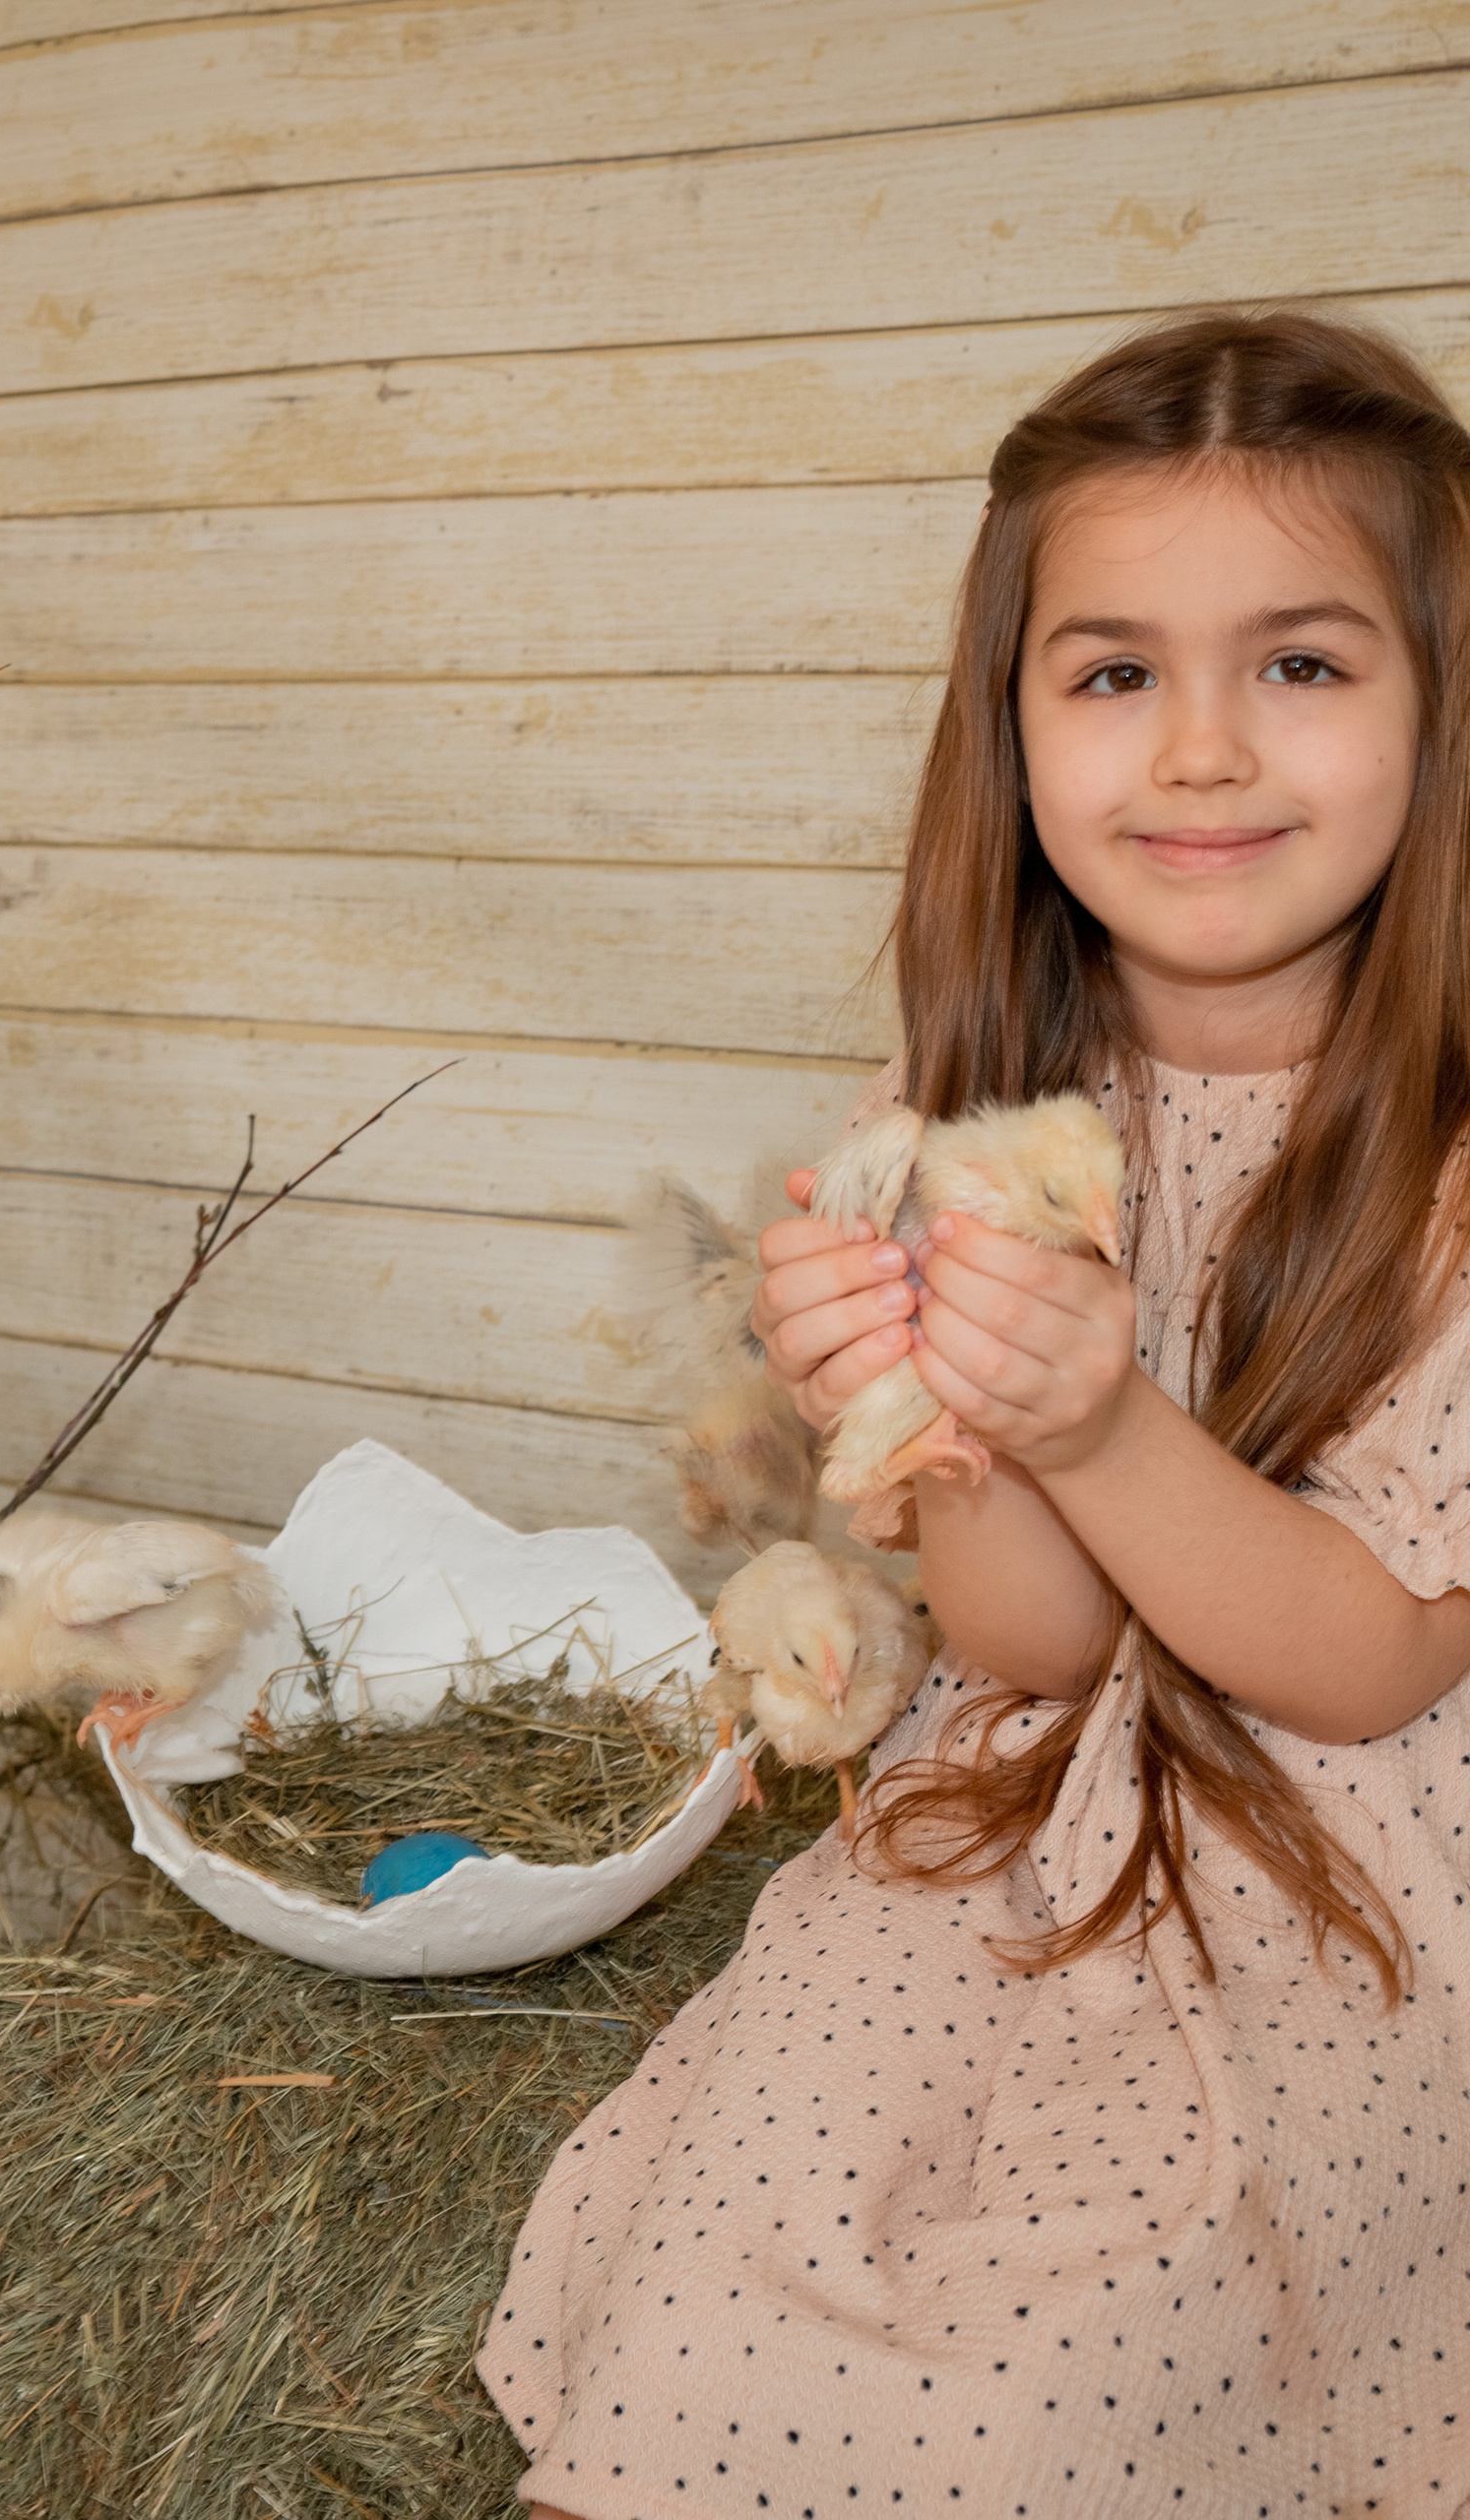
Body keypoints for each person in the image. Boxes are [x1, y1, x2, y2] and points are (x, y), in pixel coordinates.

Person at [483, 307, 1470, 2518]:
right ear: (1008, 726)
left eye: (1300, 664)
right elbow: (1029, 1647)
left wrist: (1097, 1417)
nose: (1198, 751)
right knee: (758, 2202)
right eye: (1110, 671)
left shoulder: (1446, 1168)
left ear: (1442, 707)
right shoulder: (957, 1125)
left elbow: (1375, 1649)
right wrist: (911, 1410)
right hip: (1031, 1800)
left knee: (1049, 2364)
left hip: (1368, 1858)